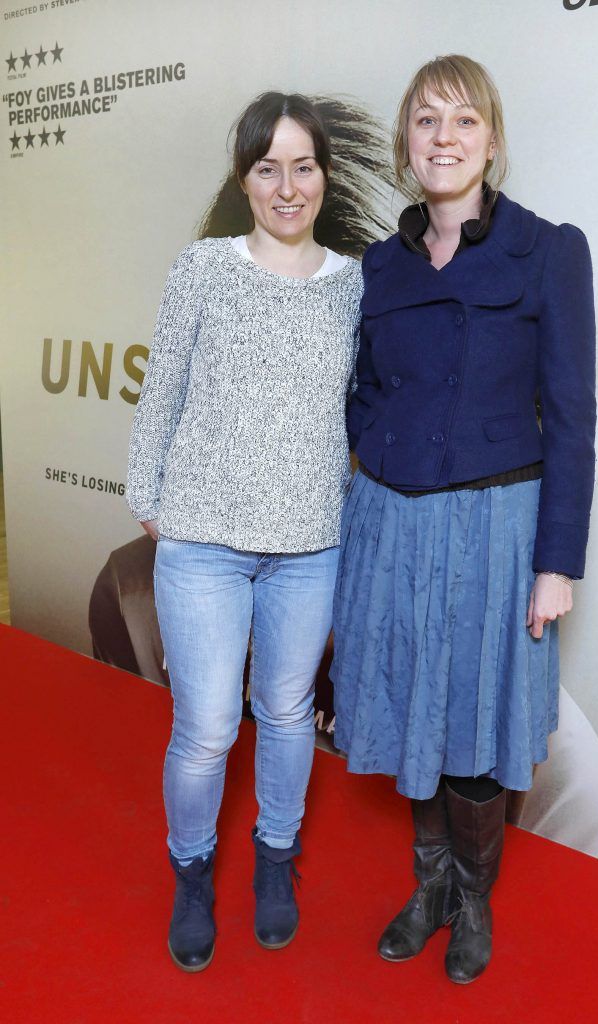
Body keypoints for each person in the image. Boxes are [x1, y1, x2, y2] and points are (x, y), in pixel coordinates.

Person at [330, 55, 596, 984]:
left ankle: (472, 901)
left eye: (462, 122)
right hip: (392, 524)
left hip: (495, 528)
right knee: (413, 711)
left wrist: (555, 560)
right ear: (406, 143)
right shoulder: (378, 264)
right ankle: (429, 887)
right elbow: (358, 389)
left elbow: (570, 415)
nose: (443, 139)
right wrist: (375, 447)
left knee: (475, 728)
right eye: (425, 122)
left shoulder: (547, 248)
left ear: (490, 141)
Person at [126, 91, 362, 972]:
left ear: (324, 177)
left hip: (309, 543)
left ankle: (274, 858)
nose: (288, 186)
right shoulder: (203, 268)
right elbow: (163, 391)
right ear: (245, 178)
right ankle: (192, 869)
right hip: (203, 542)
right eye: (269, 167)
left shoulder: (354, 285)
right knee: (208, 727)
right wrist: (146, 494)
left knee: (289, 712)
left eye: (304, 166)